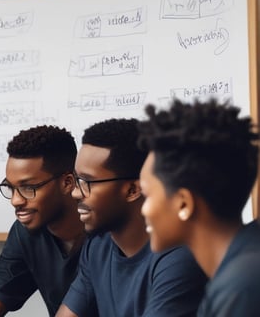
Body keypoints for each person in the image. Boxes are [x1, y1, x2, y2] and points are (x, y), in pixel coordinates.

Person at [56, 118, 207, 317]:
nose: (75, 193)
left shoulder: (179, 256)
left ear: (133, 190)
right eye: (77, 180)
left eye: (87, 181)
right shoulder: (98, 246)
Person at [138, 99, 260, 316]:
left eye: (147, 196)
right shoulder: (243, 262)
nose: (143, 210)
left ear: (184, 203)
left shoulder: (241, 286)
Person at [0, 125, 86, 317]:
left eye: (29, 187)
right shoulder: (25, 232)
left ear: (67, 182)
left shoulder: (107, 235)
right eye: (10, 188)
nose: (16, 200)